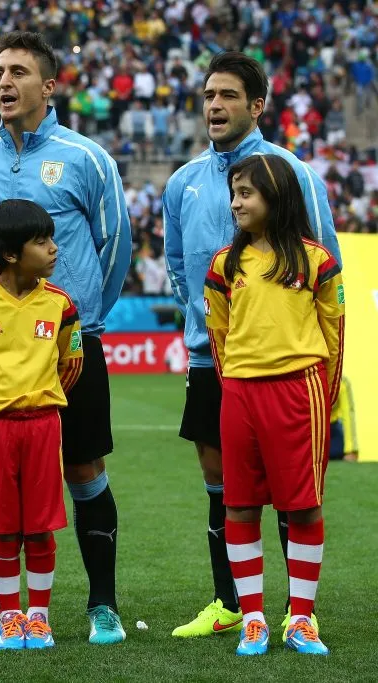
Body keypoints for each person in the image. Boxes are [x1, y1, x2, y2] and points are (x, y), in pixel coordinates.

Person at [0, 31, 131, 644]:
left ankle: (101, 604)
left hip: (66, 346)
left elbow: (117, 245)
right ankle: (5, 611)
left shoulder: (86, 157)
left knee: (84, 469)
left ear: (49, 86)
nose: (4, 82)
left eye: (19, 72)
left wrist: (83, 321)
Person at [162, 51, 342, 639]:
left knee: (293, 492)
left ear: (257, 105)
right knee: (223, 488)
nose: (215, 105)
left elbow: (324, 266)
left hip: (287, 368)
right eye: (209, 95)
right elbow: (177, 266)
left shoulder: (292, 172)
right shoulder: (184, 181)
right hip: (210, 356)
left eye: (229, 96)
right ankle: (231, 604)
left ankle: (298, 612)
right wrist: (205, 326)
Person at [204, 154, 344, 656]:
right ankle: (255, 619)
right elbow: (219, 336)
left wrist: (323, 399)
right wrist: (236, 385)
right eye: (234, 193)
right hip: (240, 392)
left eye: (247, 193)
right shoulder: (224, 264)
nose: (237, 203)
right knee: (239, 504)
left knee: (303, 507)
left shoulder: (316, 259)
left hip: (299, 390)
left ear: (276, 197)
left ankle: (301, 619)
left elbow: (334, 334)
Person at [0, 199, 83, 651]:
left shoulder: (62, 304)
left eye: (51, 239)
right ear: (10, 253)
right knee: (3, 528)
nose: (53, 249)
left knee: (41, 527)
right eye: (41, 241)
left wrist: (36, 396)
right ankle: (10, 618)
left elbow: (72, 363)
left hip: (43, 426)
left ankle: (38, 618)